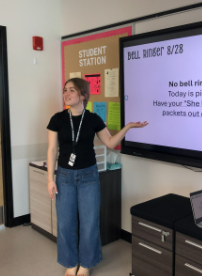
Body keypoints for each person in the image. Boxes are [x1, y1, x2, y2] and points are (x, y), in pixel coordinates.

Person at [46, 78, 148, 276]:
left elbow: (110, 143)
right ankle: (70, 263)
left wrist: (127, 128)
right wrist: (50, 178)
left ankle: (86, 264)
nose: (66, 94)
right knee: (66, 223)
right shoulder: (57, 119)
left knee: (89, 222)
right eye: (65, 90)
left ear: (83, 95)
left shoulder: (93, 119)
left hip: (88, 176)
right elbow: (51, 149)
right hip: (64, 177)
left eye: (72, 91)